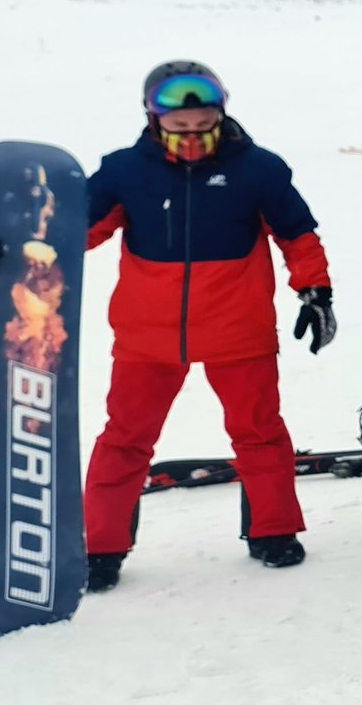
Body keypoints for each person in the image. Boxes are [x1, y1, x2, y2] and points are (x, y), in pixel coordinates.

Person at [82, 61, 336, 590]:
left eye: (204, 125)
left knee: (259, 432)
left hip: (238, 331)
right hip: (145, 338)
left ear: (221, 115)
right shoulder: (125, 170)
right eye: (181, 127)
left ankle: (274, 531)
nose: (193, 137)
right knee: (126, 437)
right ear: (154, 119)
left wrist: (315, 291)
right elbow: (75, 231)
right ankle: (100, 546)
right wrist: (20, 245)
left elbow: (298, 235)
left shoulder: (258, 169)